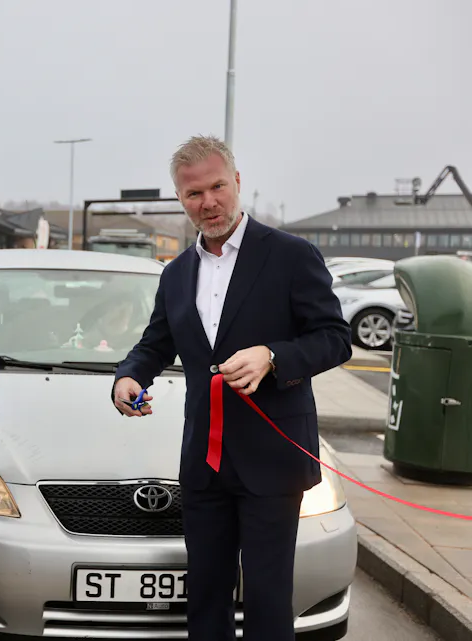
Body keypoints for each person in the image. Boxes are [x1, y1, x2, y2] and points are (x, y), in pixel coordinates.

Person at [111, 135, 352, 640]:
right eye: (194, 194)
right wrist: (129, 376)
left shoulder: (290, 255)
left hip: (272, 459)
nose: (209, 202)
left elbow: (334, 339)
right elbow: (155, 344)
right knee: (205, 597)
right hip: (204, 462)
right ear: (181, 199)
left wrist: (272, 356)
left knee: (266, 602)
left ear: (237, 182)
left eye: (217, 187)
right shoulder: (176, 274)